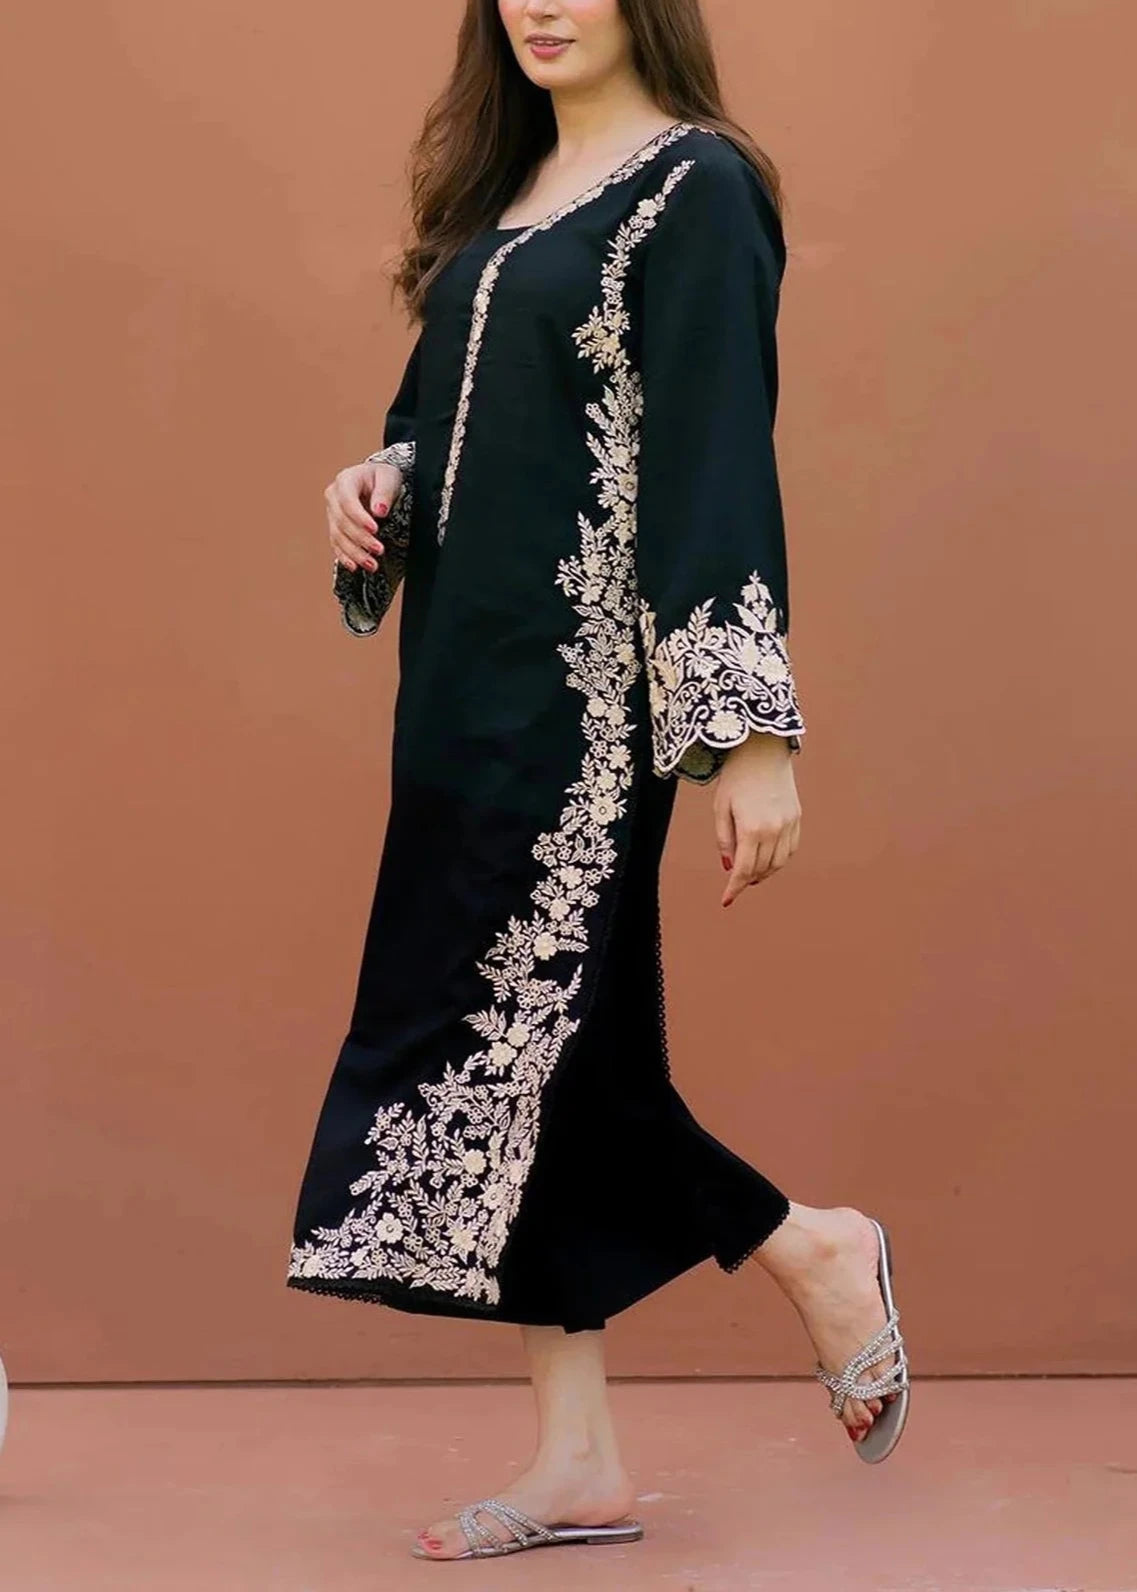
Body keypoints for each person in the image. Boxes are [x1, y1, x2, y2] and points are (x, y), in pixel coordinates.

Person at [286, 0, 910, 1561]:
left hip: (575, 707)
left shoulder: (695, 187)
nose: (542, 4)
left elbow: (711, 460)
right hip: (459, 690)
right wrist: (382, 480)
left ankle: (811, 1249)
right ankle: (579, 1455)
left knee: (533, 1047)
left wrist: (747, 738)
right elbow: (465, 423)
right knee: (549, 1063)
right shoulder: (506, 198)